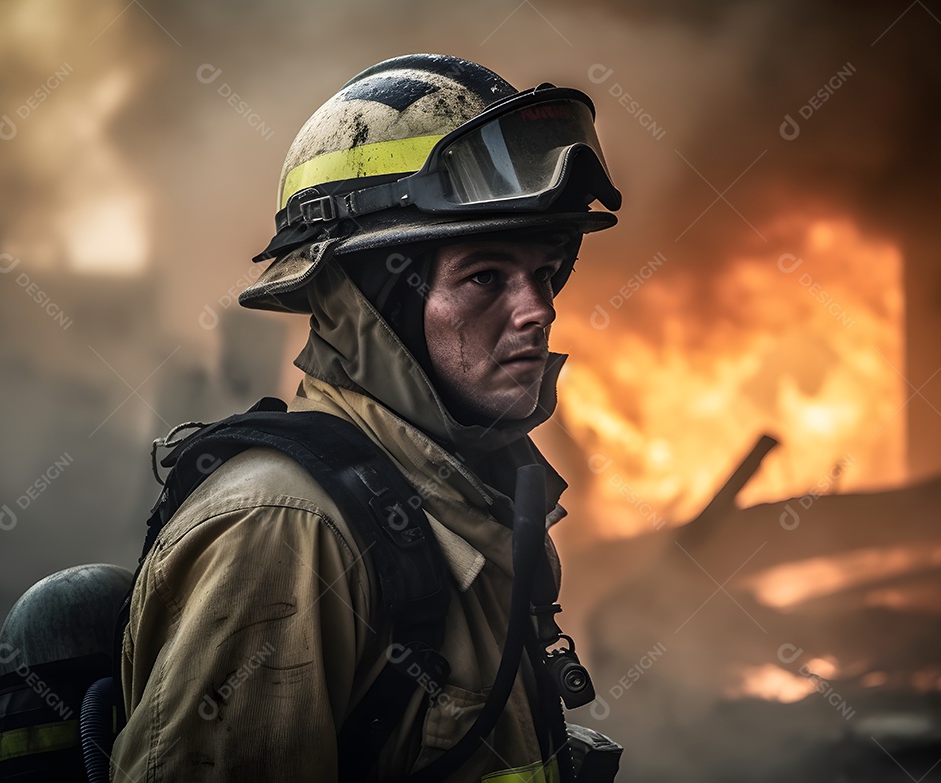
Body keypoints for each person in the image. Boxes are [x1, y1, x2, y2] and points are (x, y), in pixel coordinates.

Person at [110, 53, 621, 781]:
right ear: (374, 305)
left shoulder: (470, 500)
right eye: (484, 276)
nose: (538, 309)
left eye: (544, 272)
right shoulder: (287, 530)